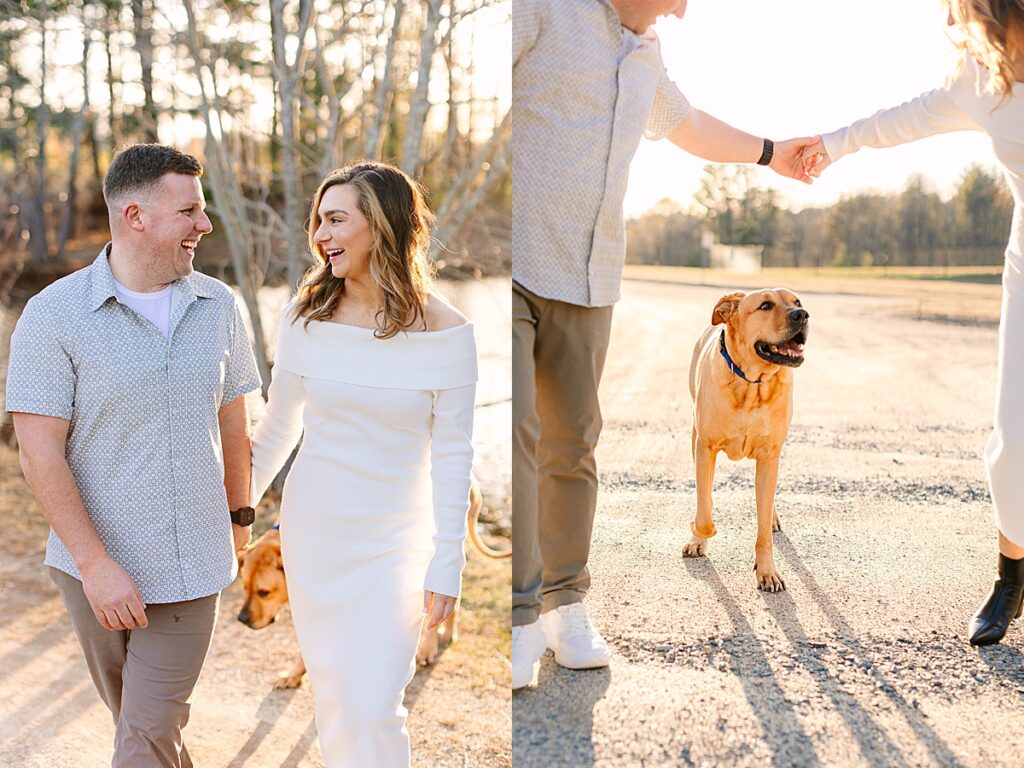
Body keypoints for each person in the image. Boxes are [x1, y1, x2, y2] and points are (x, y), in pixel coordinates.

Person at [511, 0, 820, 690]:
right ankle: (518, 617)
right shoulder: (541, 12)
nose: (682, 9)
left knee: (574, 440)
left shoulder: (646, 53)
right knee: (518, 431)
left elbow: (690, 125)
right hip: (518, 259)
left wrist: (773, 153)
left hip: (590, 274)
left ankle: (565, 604)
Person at [6, 143, 261, 767]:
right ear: (135, 217)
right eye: (190, 211)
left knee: (143, 737)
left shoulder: (220, 306)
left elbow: (234, 425)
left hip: (194, 564)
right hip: (92, 569)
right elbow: (40, 453)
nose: (205, 225)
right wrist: (95, 566)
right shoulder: (53, 315)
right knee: (143, 728)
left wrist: (239, 518)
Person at [799, 0, 1024, 647]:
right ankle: (1012, 575)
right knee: (1012, 443)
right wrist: (832, 145)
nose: (949, 22)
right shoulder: (975, 74)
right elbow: (902, 119)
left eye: (957, 8)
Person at [249, 161, 477, 767]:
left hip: (395, 547)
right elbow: (276, 431)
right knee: (337, 703)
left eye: (335, 219)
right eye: (317, 221)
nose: (319, 235)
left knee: (374, 705)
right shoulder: (304, 318)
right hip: (314, 540)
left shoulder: (448, 333)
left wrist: (448, 564)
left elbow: (455, 456)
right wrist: (235, 511)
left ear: (380, 226)